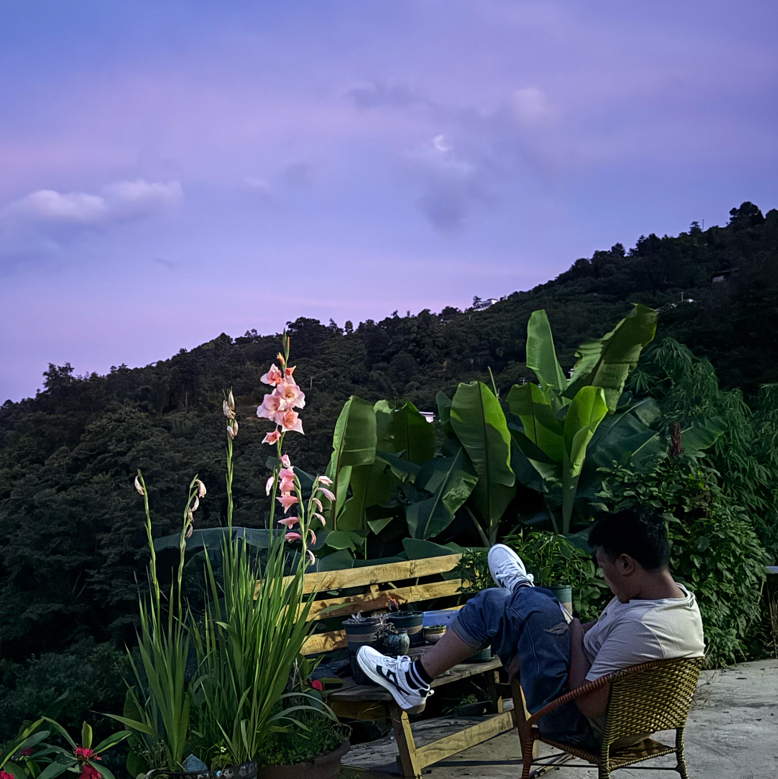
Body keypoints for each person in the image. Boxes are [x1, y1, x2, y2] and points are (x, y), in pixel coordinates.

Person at [357, 507, 705, 746]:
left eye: (603, 567)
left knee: (497, 604)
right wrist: (561, 634)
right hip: (623, 721)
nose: (604, 577)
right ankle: (520, 593)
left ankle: (520, 589)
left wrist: (573, 630)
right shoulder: (676, 604)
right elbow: (607, 635)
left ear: (626, 564)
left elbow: (587, 703)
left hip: (579, 724)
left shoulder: (643, 625)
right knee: (509, 608)